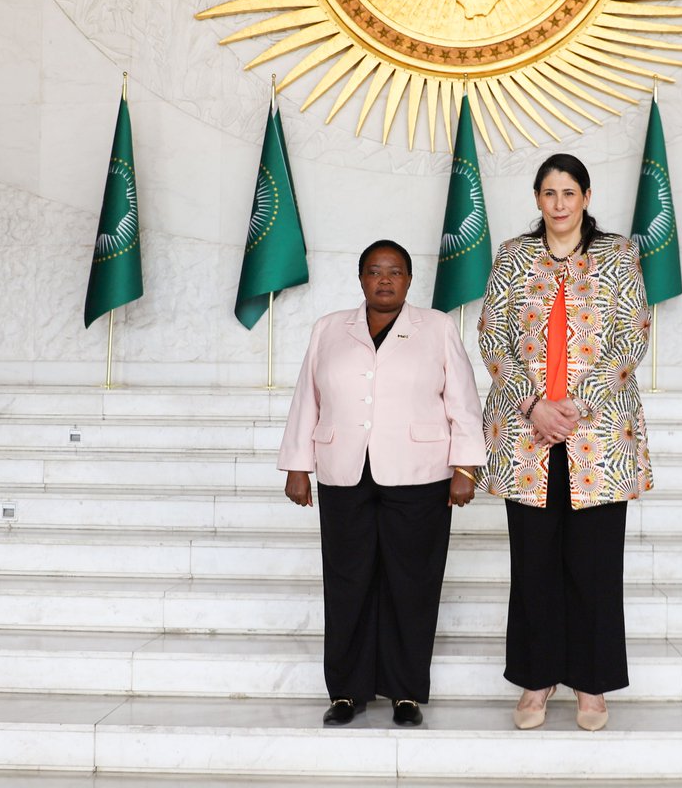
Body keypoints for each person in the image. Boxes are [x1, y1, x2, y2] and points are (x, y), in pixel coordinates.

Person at [477, 153, 652, 732]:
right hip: (526, 437)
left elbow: (633, 334)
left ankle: (591, 684)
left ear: (586, 196)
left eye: (569, 193)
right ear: (536, 199)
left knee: (594, 565)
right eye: (549, 193)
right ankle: (536, 678)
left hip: (597, 438)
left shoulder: (619, 255)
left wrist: (575, 406)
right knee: (533, 563)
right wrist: (533, 405)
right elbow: (492, 335)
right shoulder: (512, 256)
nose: (559, 204)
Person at [278, 239, 486, 727]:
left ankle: (405, 691)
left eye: (395, 271)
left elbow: (463, 399)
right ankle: (347, 691)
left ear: (410, 280)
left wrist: (465, 467)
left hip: (420, 472)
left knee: (411, 583)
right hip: (342, 471)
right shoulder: (329, 329)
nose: (385, 279)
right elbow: (307, 398)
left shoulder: (436, 328)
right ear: (361, 279)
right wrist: (297, 464)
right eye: (374, 271)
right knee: (348, 580)